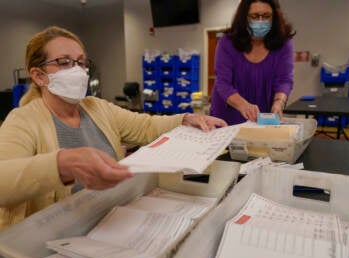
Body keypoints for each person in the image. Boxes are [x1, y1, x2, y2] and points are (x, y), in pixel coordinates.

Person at [0, 26, 227, 231]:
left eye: (81, 62)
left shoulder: (96, 108)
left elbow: (146, 126)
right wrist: (61, 164)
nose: (77, 70)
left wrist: (185, 119)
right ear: (39, 76)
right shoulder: (23, 120)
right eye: (65, 62)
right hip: (57, 237)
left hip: (111, 221)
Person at [210, 0, 295, 125]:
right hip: (227, 114)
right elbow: (223, 83)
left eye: (266, 16)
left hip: (262, 115)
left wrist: (279, 103)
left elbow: (284, 80)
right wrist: (243, 105)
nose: (260, 21)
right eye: (254, 16)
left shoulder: (283, 44)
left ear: (274, 18)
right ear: (244, 17)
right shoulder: (227, 43)